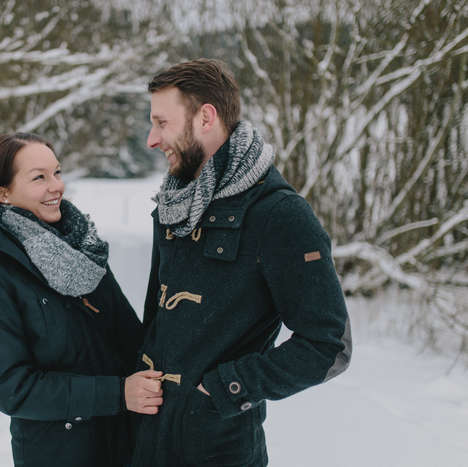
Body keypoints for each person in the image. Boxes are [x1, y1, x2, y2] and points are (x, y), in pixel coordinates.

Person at [131, 59, 352, 466]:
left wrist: (223, 389)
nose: (151, 139)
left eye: (162, 123)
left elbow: (327, 345)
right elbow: (157, 324)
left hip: (219, 448)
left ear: (206, 118)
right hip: (147, 440)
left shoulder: (279, 215)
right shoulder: (173, 204)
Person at [0, 132, 163, 467]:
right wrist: (118, 394)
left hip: (126, 444)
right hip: (59, 453)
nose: (56, 186)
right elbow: (13, 389)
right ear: (3, 192)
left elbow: (130, 340)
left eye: (57, 173)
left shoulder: (82, 251)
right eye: (39, 178)